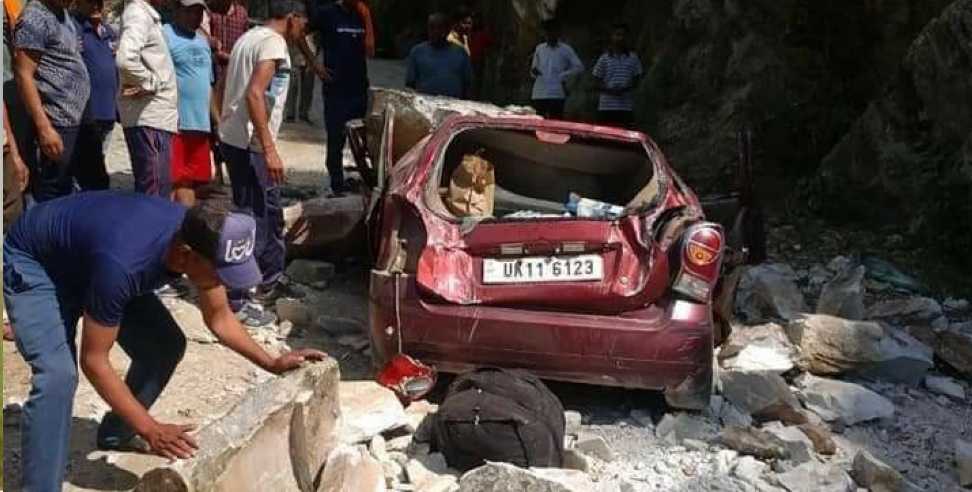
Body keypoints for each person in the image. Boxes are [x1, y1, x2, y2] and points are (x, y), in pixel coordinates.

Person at [3, 192, 327, 491]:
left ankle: (117, 433)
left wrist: (271, 362)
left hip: (92, 260)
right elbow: (95, 361)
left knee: (164, 345)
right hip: (37, 262)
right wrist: (151, 428)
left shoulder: (200, 239)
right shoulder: (125, 263)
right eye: (220, 274)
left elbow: (219, 318)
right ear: (186, 255)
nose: (223, 283)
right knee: (58, 376)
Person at [219, 0, 308, 327]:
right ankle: (238, 297)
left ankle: (270, 277)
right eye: (303, 24)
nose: (304, 30)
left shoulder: (249, 37)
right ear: (292, 18)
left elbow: (226, 78)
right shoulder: (273, 43)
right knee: (253, 216)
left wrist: (222, 119)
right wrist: (269, 148)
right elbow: (255, 93)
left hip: (236, 138)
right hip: (253, 144)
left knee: (265, 209)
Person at [13, 0, 90, 202]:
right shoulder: (35, 18)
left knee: (87, 184)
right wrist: (44, 127)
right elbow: (24, 75)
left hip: (77, 119)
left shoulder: (63, 14)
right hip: (57, 121)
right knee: (54, 193)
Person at [117, 0, 178, 197]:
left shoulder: (147, 15)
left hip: (156, 118)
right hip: (150, 118)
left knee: (157, 191)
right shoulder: (138, 14)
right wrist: (150, 82)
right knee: (154, 195)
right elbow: (125, 59)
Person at [310, 0, 368, 196]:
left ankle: (363, 180)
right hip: (336, 88)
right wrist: (315, 65)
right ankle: (337, 184)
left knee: (361, 139)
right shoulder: (327, 13)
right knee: (336, 137)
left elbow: (371, 49)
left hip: (358, 86)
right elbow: (298, 32)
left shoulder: (361, 14)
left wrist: (366, 17)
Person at [165, 0, 214, 207]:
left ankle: (183, 234)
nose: (195, 17)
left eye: (199, 12)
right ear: (177, 10)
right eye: (190, 12)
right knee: (171, 183)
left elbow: (208, 84)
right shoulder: (164, 34)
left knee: (191, 183)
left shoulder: (203, 42)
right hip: (175, 124)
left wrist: (217, 121)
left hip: (200, 125)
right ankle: (166, 234)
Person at [72, 0, 118, 191]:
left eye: (99, 2)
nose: (96, 6)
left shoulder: (109, 32)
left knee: (100, 161)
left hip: (108, 110)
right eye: (91, 2)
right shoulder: (74, 29)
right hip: (86, 113)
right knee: (85, 170)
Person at [405, 12, 473, 100]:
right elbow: (410, 85)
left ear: (448, 29)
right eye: (432, 27)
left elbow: (468, 84)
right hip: (426, 106)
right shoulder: (417, 52)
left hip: (454, 107)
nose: (436, 31)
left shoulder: (460, 53)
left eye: (440, 27)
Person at [592, 23, 643, 128]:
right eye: (617, 35)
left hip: (626, 107)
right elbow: (596, 81)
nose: (620, 38)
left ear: (628, 37)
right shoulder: (604, 59)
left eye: (623, 35)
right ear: (612, 37)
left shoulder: (633, 58)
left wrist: (625, 88)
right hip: (606, 107)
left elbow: (637, 80)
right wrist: (610, 90)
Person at [530, 19, 583, 120]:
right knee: (539, 123)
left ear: (558, 32)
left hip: (556, 93)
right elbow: (533, 69)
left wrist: (563, 75)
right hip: (539, 93)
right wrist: (534, 72)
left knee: (555, 124)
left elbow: (579, 67)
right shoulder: (539, 48)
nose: (549, 34)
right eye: (547, 31)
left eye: (552, 31)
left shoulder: (566, 49)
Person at [285, 33, 316, 124]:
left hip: (311, 50)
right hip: (294, 50)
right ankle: (290, 113)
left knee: (308, 85)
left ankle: (304, 113)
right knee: (293, 84)